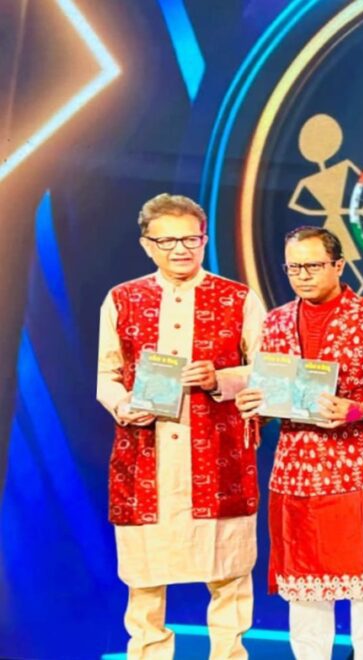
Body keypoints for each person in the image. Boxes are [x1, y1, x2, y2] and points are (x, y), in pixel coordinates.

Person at [97, 193, 265, 658]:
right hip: (146, 454)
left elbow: (270, 371)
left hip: (219, 453)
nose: (180, 249)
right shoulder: (123, 298)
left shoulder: (238, 298)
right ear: (147, 245)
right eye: (167, 241)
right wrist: (123, 405)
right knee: (146, 577)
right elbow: (106, 374)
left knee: (228, 573)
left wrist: (221, 379)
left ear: (205, 240)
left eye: (190, 239)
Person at [235, 226, 363, 660]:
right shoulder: (277, 320)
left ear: (338, 265)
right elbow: (273, 393)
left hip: (361, 468)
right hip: (296, 472)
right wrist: (255, 404)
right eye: (293, 267)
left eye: (313, 266)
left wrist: (360, 409)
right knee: (305, 591)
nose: (302, 275)